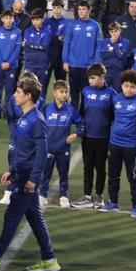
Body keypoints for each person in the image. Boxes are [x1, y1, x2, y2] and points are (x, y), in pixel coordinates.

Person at [0, 76, 61, 271]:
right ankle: (49, 259)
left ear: (28, 96)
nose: (14, 95)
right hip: (20, 173)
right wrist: (12, 171)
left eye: (18, 92)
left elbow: (41, 153)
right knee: (35, 218)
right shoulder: (24, 117)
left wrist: (33, 179)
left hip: (26, 178)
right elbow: (24, 151)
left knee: (11, 216)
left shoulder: (36, 120)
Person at [102, 69, 136, 216]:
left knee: (133, 176)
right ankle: (113, 202)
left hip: (132, 146)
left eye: (132, 86)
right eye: (126, 85)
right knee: (113, 174)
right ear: (121, 85)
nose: (128, 89)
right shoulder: (116, 99)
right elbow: (111, 116)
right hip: (114, 143)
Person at [73, 64, 114, 209]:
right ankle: (86, 196)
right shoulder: (85, 91)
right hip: (88, 136)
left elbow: (113, 117)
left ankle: (99, 195)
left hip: (103, 137)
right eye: (89, 78)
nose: (90, 81)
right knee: (88, 166)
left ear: (102, 77)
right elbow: (81, 112)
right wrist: (81, 129)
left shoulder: (111, 94)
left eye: (93, 78)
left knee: (101, 167)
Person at [39, 79, 80, 208]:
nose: (64, 94)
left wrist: (76, 134)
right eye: (61, 91)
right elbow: (38, 124)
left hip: (63, 148)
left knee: (63, 173)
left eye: (66, 92)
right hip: (48, 148)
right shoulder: (46, 108)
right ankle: (42, 194)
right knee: (45, 173)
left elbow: (82, 124)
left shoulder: (71, 109)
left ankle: (64, 195)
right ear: (54, 93)